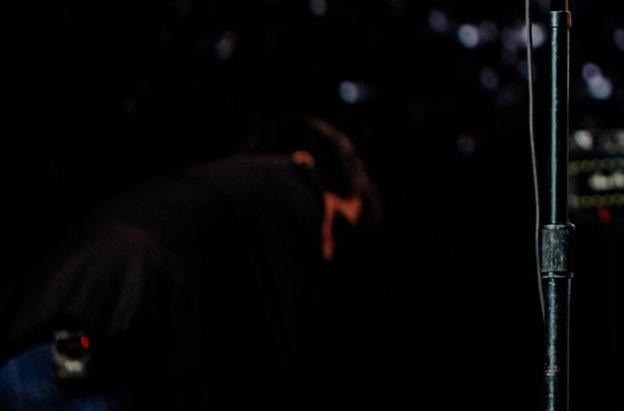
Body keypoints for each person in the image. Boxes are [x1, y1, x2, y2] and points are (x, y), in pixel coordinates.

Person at [0, 117, 379, 411]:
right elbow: (290, 350)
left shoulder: (208, 198)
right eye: (338, 225)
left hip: (54, 335)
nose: (329, 249)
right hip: (93, 342)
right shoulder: (292, 183)